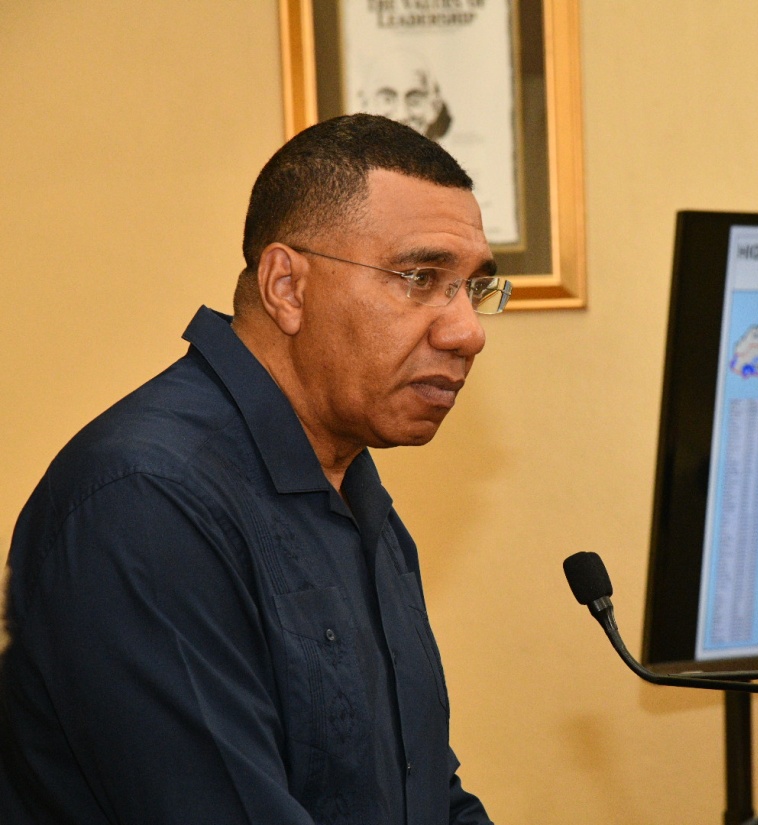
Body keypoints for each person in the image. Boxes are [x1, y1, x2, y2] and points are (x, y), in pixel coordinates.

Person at [0, 113, 510, 824]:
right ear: (286, 287)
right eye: (420, 278)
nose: (468, 332)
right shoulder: (147, 501)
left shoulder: (354, 490)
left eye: (474, 288)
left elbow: (422, 792)